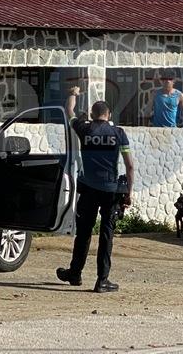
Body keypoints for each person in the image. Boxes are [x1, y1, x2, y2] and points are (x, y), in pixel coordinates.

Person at [56, 86, 135, 293]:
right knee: (106, 234)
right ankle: (102, 280)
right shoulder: (118, 133)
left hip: (89, 189)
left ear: (92, 115)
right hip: (110, 190)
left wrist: (73, 93)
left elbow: (69, 111)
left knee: (83, 232)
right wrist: (128, 193)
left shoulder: (84, 129)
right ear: (109, 115)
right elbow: (130, 166)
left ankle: (75, 273)